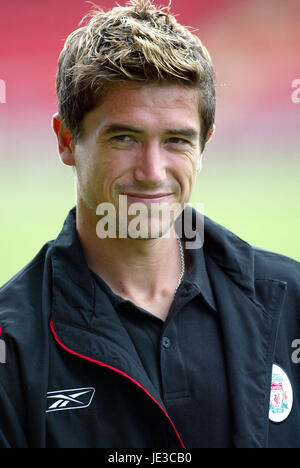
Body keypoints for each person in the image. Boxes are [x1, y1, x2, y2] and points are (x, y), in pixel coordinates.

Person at [0, 0, 300, 449]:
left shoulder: (291, 299)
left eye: (176, 140)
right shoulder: (13, 345)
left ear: (204, 146)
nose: (153, 171)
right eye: (125, 137)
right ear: (66, 141)